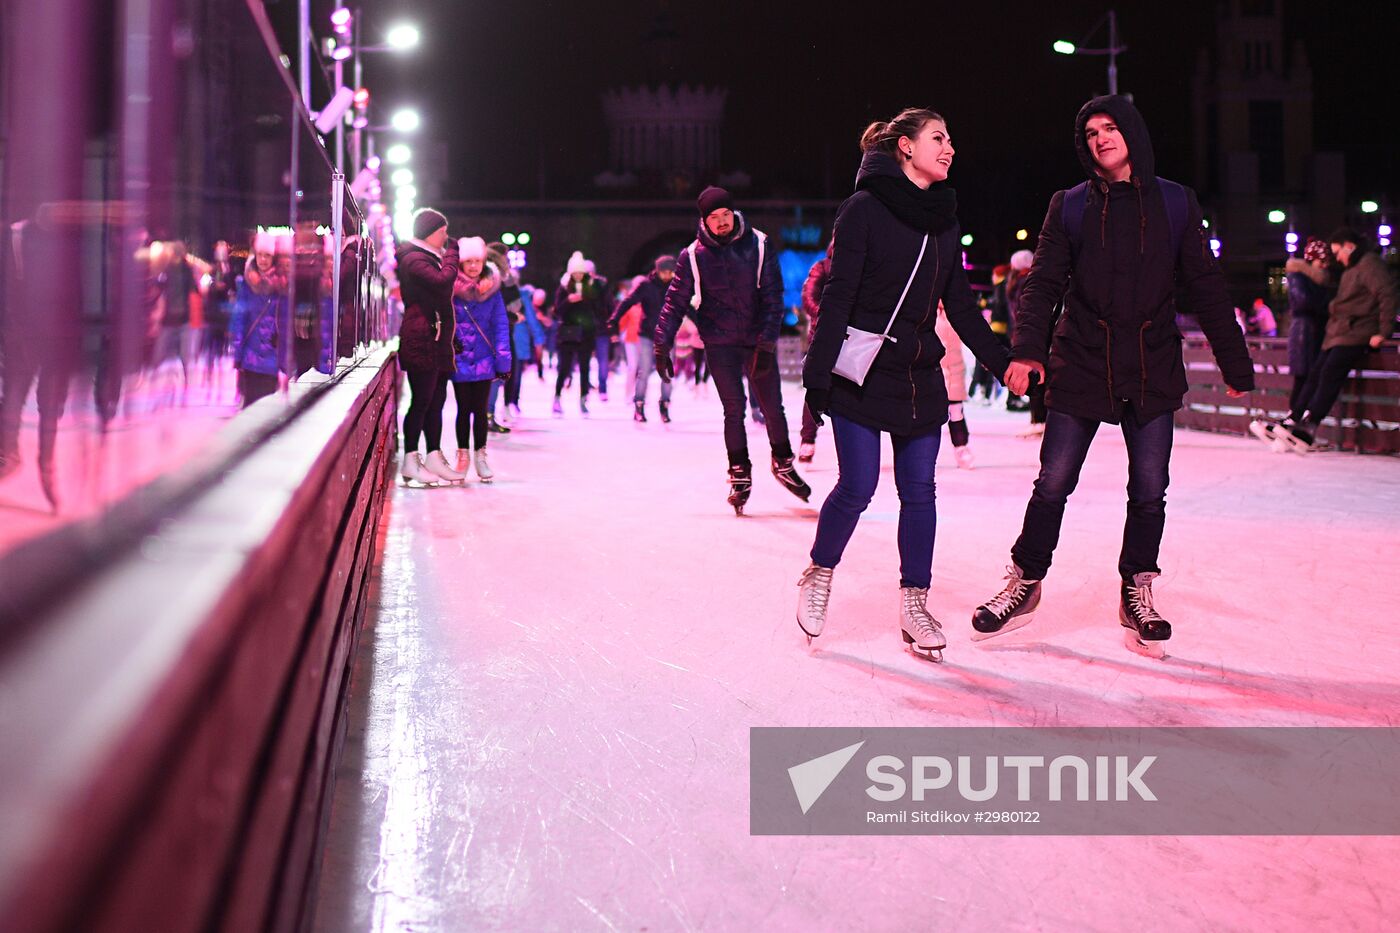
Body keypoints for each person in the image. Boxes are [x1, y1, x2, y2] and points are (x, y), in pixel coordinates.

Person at [970, 95, 1255, 658]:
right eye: (1090, 132)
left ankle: (1135, 591)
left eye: (1110, 127)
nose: (1101, 138)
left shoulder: (1175, 201)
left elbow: (1205, 285)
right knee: (1054, 480)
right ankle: (1025, 582)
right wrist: (1027, 351)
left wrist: (1235, 360)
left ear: (1132, 132)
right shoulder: (1070, 205)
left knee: (1149, 488)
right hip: (1081, 358)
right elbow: (1043, 284)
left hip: (1151, 362)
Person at [798, 108, 1013, 661]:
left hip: (919, 375)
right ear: (905, 147)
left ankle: (914, 603)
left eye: (951, 138)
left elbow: (960, 306)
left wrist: (1003, 364)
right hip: (864, 372)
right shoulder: (863, 209)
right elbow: (838, 296)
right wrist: (817, 377)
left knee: (919, 492)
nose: (950, 147)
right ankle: (819, 572)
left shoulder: (944, 220)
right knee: (858, 485)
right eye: (938, 137)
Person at [655, 186, 809, 513]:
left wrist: (766, 344)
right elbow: (674, 302)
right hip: (719, 343)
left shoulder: (759, 244)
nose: (722, 221)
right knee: (733, 409)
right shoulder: (692, 255)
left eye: (726, 214)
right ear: (704, 220)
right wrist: (661, 344)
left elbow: (773, 297)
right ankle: (739, 471)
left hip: (756, 341)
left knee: (772, 406)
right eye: (715, 217)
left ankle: (782, 461)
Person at [1266, 228, 1398, 451]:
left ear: (1349, 246)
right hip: (1338, 333)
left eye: (1337, 253)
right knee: (1315, 374)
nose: (1337, 258)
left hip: (1356, 332)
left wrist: (1383, 332)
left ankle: (1310, 425)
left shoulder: (1370, 264)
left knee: (1329, 374)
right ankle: (1295, 419)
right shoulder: (1353, 268)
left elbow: (1387, 294)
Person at [396, 207, 465, 486]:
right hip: (422, 339)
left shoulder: (429, 258)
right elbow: (443, 283)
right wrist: (453, 255)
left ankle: (433, 455)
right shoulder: (414, 259)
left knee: (436, 401)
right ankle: (410, 458)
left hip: (435, 339)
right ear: (429, 232)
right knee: (421, 401)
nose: (446, 237)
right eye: (442, 231)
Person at [450, 237, 511, 481]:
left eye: (478, 261)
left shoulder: (493, 290)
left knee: (481, 409)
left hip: (484, 358)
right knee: (463, 409)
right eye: (469, 261)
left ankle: (481, 456)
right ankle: (462, 456)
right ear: (461, 263)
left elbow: (500, 325)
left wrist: (504, 361)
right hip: (460, 358)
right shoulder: (452, 289)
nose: (474, 266)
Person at [609, 255, 676, 423]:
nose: (667, 275)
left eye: (670, 272)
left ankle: (664, 405)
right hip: (647, 335)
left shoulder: (676, 286)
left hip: (667, 337)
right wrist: (615, 318)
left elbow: (687, 308)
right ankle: (639, 406)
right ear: (658, 271)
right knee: (644, 371)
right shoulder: (646, 286)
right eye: (664, 272)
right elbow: (628, 301)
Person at [1279, 237, 1338, 416]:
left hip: (1315, 331)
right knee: (1303, 376)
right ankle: (1294, 415)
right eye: (1322, 261)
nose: (1325, 266)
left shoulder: (1321, 281)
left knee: (1311, 377)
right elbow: (1303, 302)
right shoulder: (1298, 277)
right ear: (1312, 260)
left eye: (1327, 262)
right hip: (1304, 332)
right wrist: (1328, 306)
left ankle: (1298, 415)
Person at [552, 251, 607, 417]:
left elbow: (601, 307)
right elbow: (557, 311)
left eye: (580, 272)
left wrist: (589, 297)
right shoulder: (564, 287)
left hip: (586, 333)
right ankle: (557, 398)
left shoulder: (592, 286)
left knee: (585, 368)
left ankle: (583, 400)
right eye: (574, 272)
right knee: (564, 368)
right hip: (568, 332)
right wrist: (568, 301)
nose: (577, 275)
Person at [797, 241, 832, 462]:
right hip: (822, 337)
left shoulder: (863, 264)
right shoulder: (822, 267)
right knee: (816, 387)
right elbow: (808, 298)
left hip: (854, 340)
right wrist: (829, 316)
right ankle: (807, 439)